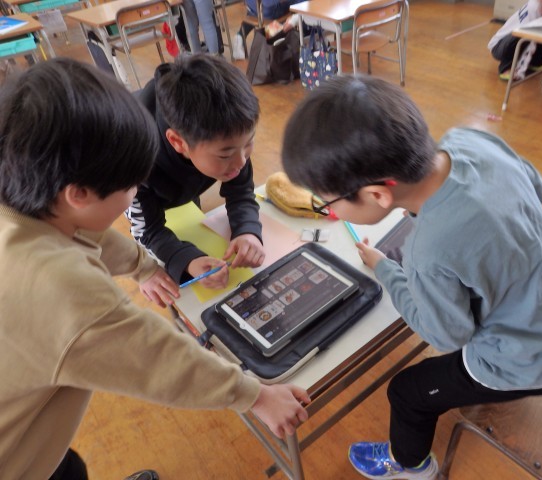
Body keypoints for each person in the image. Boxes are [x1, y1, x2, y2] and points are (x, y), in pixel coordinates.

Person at [0, 58, 310, 480]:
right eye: (131, 186)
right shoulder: (60, 291)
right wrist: (256, 396)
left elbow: (81, 232)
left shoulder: (27, 201)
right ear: (79, 194)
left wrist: (143, 267)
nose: (135, 193)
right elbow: (158, 359)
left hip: (28, 423)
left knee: (65, 467)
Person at [281, 75, 542, 480]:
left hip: (533, 361)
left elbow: (448, 335)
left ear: (378, 194)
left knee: (406, 392)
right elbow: (538, 192)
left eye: (328, 203)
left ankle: (411, 465)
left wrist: (386, 268)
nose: (331, 211)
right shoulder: (471, 141)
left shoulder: (426, 251)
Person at [126, 54, 266, 291]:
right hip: (140, 174)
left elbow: (241, 192)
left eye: (248, 143)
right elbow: (147, 231)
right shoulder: (132, 163)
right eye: (225, 155)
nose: (241, 161)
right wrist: (187, 259)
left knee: (191, 201)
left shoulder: (229, 139)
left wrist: (247, 230)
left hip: (181, 168)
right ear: (178, 142)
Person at [487, 0, 542, 80]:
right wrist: (520, 70)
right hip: (499, 46)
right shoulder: (535, 6)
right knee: (523, 35)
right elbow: (531, 38)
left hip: (512, 41)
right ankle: (507, 68)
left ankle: (535, 63)